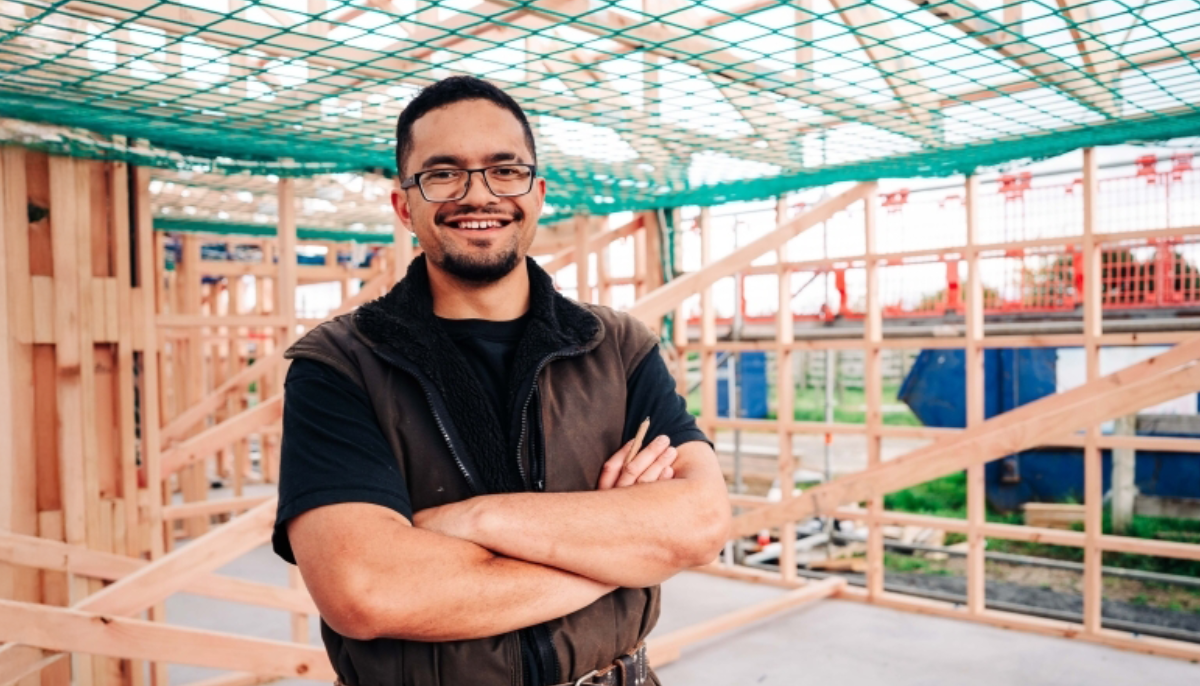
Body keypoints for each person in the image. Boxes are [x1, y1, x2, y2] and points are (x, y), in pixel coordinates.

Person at [273, 75, 730, 686]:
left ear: (537, 193)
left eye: (505, 170)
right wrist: (625, 549)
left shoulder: (618, 348)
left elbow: (700, 524)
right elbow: (366, 590)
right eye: (443, 174)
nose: (479, 194)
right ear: (404, 206)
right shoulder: (340, 364)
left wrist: (477, 521)